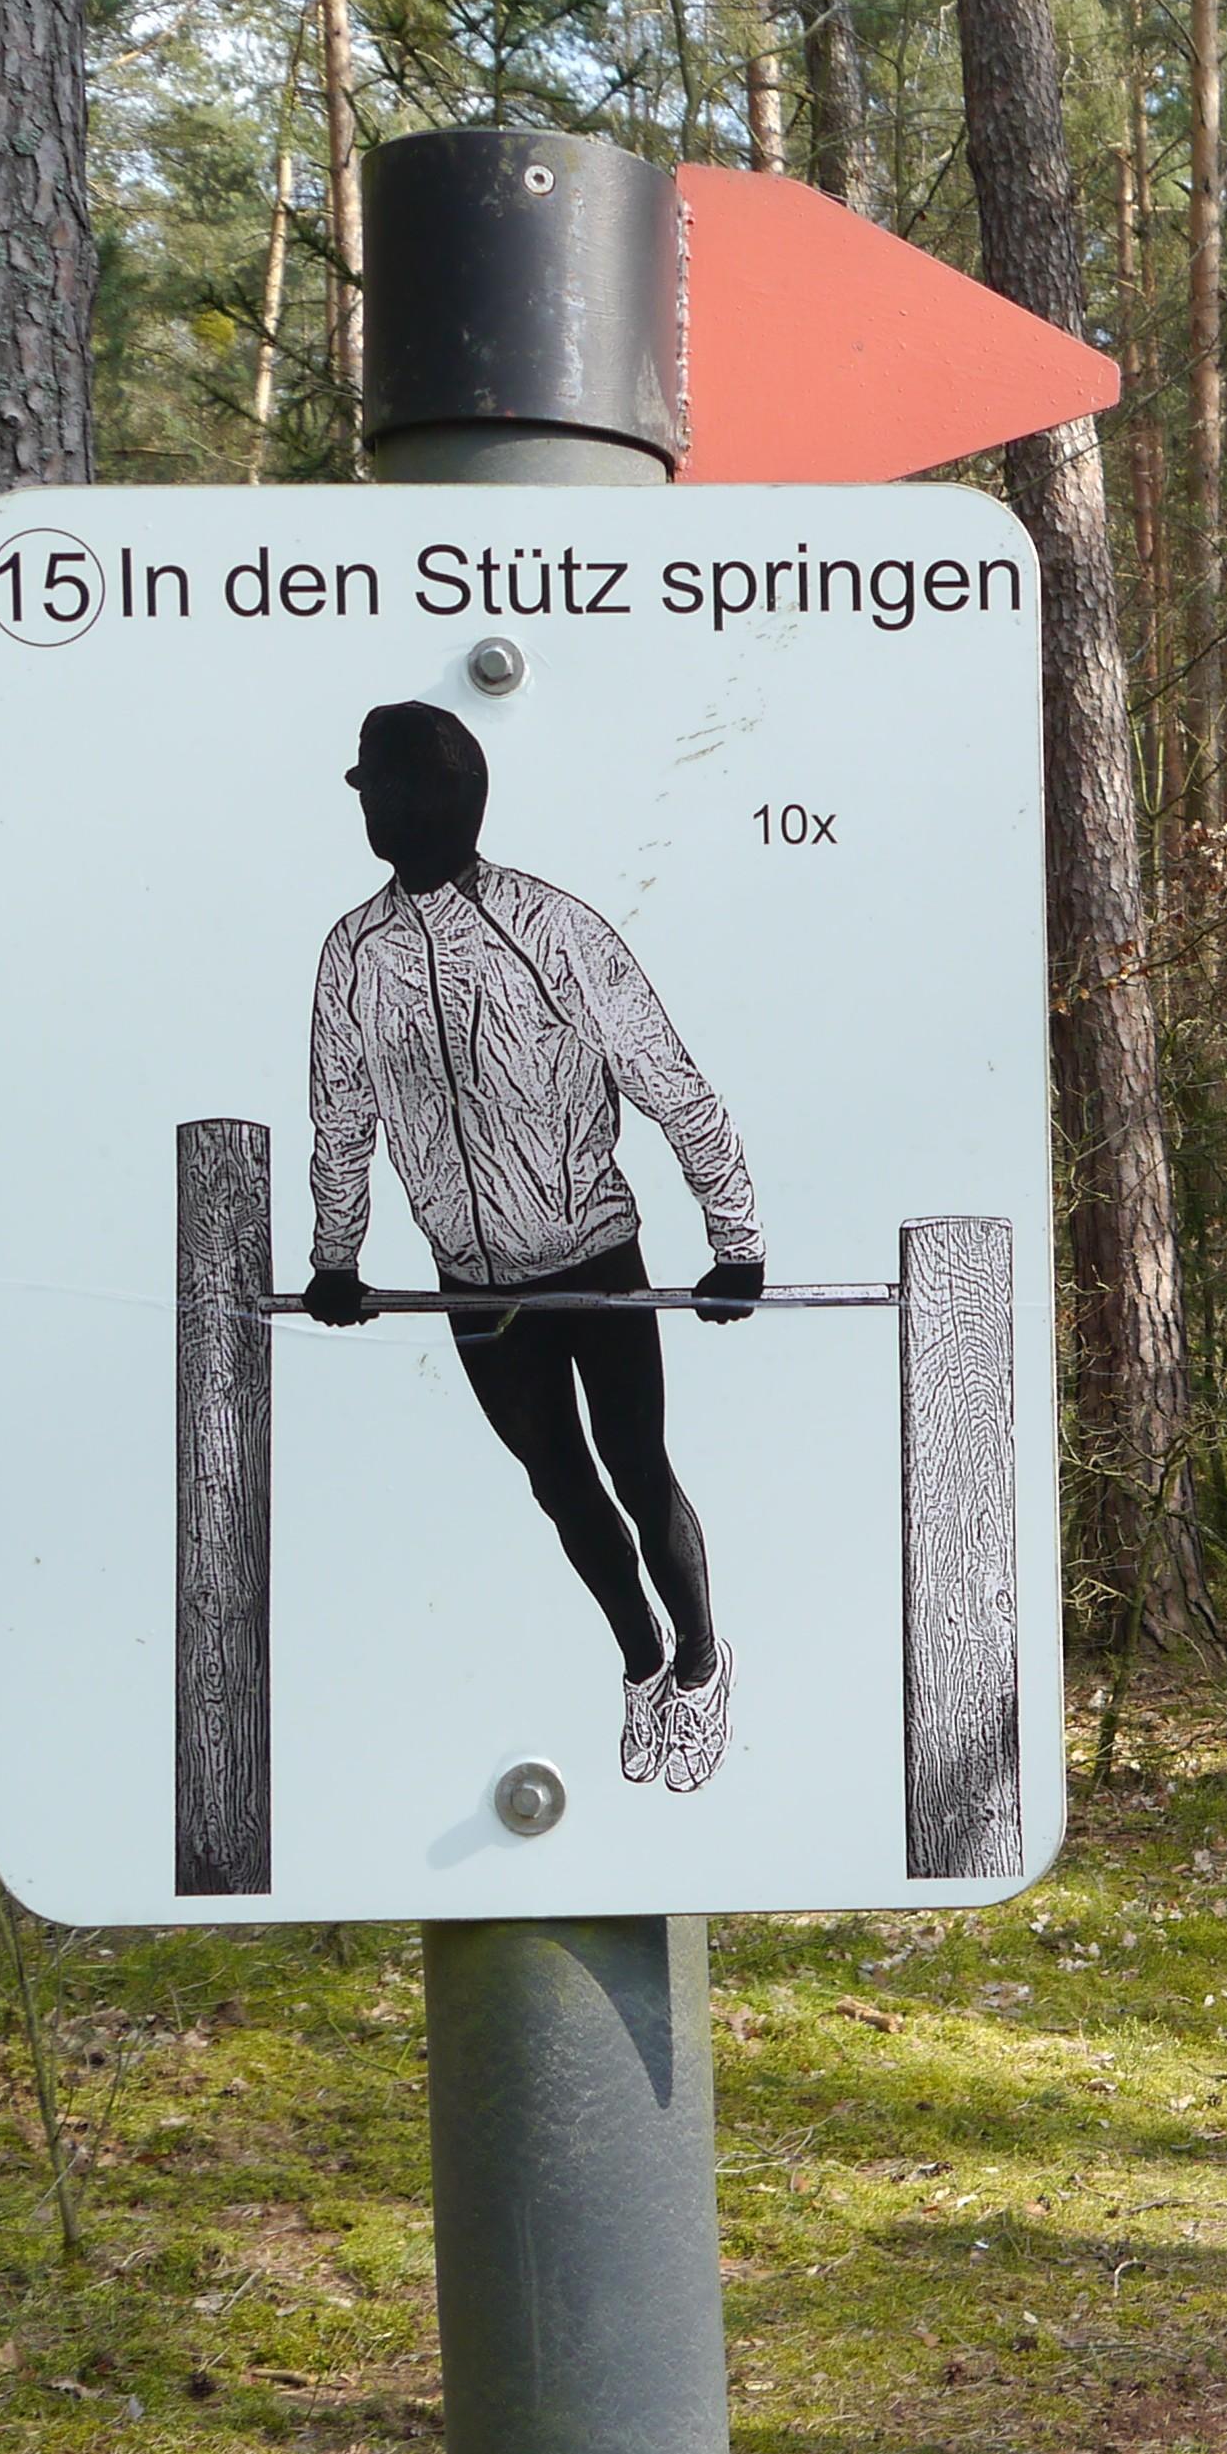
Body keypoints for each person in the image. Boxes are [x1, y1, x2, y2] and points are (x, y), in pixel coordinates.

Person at [300, 700, 765, 1794]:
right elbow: (340, 1116)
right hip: (473, 1280)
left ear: (421, 798)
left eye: (373, 781)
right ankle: (643, 1663)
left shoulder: (549, 926)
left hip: (592, 1254)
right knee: (559, 1485)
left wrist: (734, 1236)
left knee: (637, 1472)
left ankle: (701, 1662)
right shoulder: (353, 952)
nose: (365, 801)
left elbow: (667, 1079)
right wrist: (335, 1257)